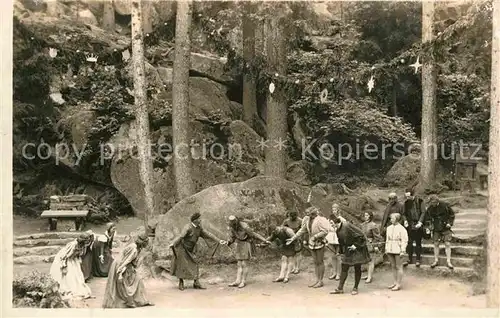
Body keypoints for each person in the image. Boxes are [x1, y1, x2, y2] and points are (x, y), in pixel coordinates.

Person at [169, 212, 227, 290]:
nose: (200, 220)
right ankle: (181, 282)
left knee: (195, 264)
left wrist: (219, 240)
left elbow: (208, 234)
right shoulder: (188, 227)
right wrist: (173, 243)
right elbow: (181, 236)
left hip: (191, 248)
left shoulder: (199, 228)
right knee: (181, 265)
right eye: (199, 219)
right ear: (195, 220)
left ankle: (196, 283)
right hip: (181, 248)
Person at [102, 233, 153, 308]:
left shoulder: (133, 245)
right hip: (121, 264)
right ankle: (131, 301)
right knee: (134, 281)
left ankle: (133, 300)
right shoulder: (134, 249)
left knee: (134, 280)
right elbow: (127, 260)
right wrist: (121, 269)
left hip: (119, 263)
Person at [286, 206, 330, 288]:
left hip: (319, 242)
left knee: (320, 261)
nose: (307, 215)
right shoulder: (307, 220)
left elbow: (325, 231)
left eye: (308, 213)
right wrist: (293, 238)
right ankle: (317, 280)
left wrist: (316, 236)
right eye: (307, 213)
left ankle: (321, 280)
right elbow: (302, 230)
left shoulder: (320, 219)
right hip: (311, 243)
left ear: (313, 213)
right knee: (315, 262)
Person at [330, 216, 371, 295]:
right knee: (344, 268)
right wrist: (340, 252)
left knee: (357, 268)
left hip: (358, 249)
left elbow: (361, 235)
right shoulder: (337, 230)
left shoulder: (347, 225)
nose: (331, 224)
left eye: (331, 223)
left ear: (336, 221)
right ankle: (340, 288)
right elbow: (341, 242)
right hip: (348, 251)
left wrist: (355, 245)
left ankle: (355, 288)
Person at [227, 215, 271, 288]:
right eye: (231, 222)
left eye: (234, 221)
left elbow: (254, 234)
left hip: (246, 244)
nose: (233, 223)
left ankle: (243, 281)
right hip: (239, 244)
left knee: (244, 263)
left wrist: (264, 240)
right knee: (239, 264)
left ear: (236, 220)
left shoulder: (244, 226)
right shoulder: (232, 227)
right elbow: (233, 237)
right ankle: (237, 281)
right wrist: (228, 242)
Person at [49, 233, 92, 299]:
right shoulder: (73, 245)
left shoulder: (83, 246)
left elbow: (78, 255)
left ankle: (77, 288)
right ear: (83, 240)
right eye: (87, 240)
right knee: (69, 275)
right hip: (66, 260)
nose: (88, 242)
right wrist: (64, 266)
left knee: (77, 276)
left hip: (73, 260)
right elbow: (64, 256)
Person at [426, 194, 455, 269]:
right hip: (436, 228)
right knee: (436, 244)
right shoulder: (430, 208)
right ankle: (436, 260)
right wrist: (429, 226)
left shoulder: (445, 205)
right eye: (430, 203)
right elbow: (428, 218)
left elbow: (452, 215)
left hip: (445, 227)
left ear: (436, 201)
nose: (432, 204)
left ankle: (448, 261)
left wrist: (449, 223)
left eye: (432, 203)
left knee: (447, 244)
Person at [385, 213, 408, 291]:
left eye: (392, 218)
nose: (391, 220)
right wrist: (386, 248)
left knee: (399, 266)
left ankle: (398, 284)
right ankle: (394, 282)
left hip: (398, 249)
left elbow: (404, 240)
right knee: (393, 266)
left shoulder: (402, 229)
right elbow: (387, 240)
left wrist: (403, 250)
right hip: (390, 249)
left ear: (397, 219)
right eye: (390, 218)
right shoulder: (389, 228)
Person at [402, 189, 426, 267]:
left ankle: (418, 259)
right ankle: (409, 259)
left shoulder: (420, 201)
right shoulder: (406, 203)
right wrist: (405, 220)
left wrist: (420, 222)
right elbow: (403, 214)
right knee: (409, 242)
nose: (407, 198)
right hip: (409, 224)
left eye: (409, 196)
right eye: (406, 196)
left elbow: (423, 212)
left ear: (413, 195)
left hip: (418, 223)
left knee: (418, 242)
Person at [360, 211, 383, 283]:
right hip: (364, 244)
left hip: (371, 244)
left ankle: (370, 277)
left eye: (367, 215)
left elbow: (377, 237)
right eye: (365, 215)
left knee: (371, 261)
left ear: (370, 216)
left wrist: (375, 246)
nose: (365, 216)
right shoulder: (363, 224)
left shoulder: (373, 225)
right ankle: (368, 274)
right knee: (367, 261)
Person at [327, 203, 346, 280]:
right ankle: (334, 272)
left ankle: (339, 273)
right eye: (333, 209)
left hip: (338, 238)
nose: (334, 211)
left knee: (338, 256)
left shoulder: (342, 219)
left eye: (335, 209)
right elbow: (328, 228)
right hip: (331, 237)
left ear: (338, 210)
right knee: (332, 256)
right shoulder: (329, 219)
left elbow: (344, 229)